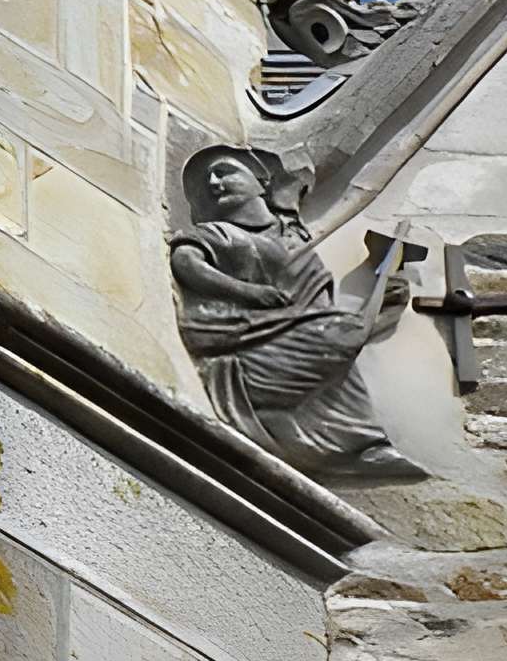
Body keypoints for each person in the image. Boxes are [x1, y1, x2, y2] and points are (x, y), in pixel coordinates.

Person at [170, 146, 424, 481]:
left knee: (339, 340)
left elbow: (317, 307)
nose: (214, 182)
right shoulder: (220, 233)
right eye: (208, 180)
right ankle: (345, 439)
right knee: (337, 335)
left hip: (299, 342)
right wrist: (247, 292)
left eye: (225, 172)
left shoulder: (295, 241)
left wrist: (385, 303)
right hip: (245, 343)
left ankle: (329, 436)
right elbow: (186, 263)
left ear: (262, 183)